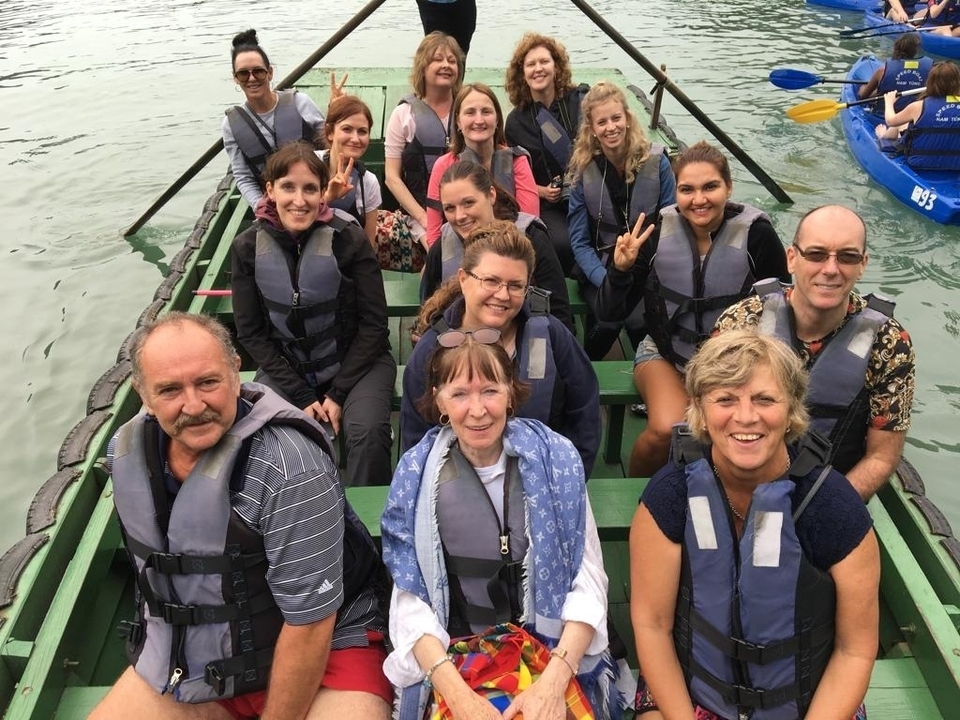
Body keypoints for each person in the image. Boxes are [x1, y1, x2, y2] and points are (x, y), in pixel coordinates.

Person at [89, 312, 392, 720]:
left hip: (326, 651)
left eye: (208, 382)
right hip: (198, 654)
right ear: (143, 394)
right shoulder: (126, 454)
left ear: (235, 371)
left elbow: (310, 626)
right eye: (170, 390)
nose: (193, 405)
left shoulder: (290, 467)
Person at [630, 329, 879, 720]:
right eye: (725, 399)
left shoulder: (832, 508)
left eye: (764, 399)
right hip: (694, 689)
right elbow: (652, 625)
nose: (746, 417)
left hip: (807, 702)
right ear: (699, 407)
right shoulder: (671, 496)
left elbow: (855, 650)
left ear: (792, 407)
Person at [382, 337, 625, 719]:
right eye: (459, 393)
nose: (477, 410)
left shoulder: (555, 458)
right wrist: (460, 700)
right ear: (439, 400)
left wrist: (553, 681)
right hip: (459, 652)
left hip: (553, 648)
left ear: (510, 393)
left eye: (490, 390)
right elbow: (409, 599)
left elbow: (588, 576)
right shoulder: (415, 475)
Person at [596, 141, 789, 477]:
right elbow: (611, 313)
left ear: (728, 187)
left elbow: (784, 311)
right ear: (677, 194)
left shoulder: (757, 236)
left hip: (735, 364)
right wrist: (620, 270)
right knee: (666, 428)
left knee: (725, 435)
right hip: (666, 354)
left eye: (710, 187)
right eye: (687, 190)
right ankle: (641, 496)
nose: (699, 200)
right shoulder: (656, 235)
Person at [715, 205, 915, 499]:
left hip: (829, 493)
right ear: (792, 259)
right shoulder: (741, 323)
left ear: (863, 264)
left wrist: (825, 510)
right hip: (741, 486)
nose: (831, 269)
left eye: (847, 257)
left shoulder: (890, 344)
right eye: (816, 254)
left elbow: (881, 457)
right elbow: (712, 422)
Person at [230, 141, 396, 487]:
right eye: (288, 187)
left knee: (366, 432)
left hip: (357, 363)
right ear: (270, 190)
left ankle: (368, 526)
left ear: (323, 193)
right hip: (286, 367)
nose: (299, 200)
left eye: (310, 189)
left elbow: (375, 324)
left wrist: (336, 394)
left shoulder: (347, 238)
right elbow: (251, 334)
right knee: (270, 439)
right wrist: (304, 397)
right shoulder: (247, 247)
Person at [401, 220, 602, 476]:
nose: (503, 295)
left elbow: (584, 408)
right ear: (463, 279)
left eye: (515, 285)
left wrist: (571, 475)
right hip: (461, 487)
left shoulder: (551, 334)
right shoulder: (432, 350)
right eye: (491, 281)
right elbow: (416, 440)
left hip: (546, 478)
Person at [567, 81, 676, 361]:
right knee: (608, 319)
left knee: (641, 322)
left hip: (649, 267)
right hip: (601, 267)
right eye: (602, 122)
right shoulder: (584, 170)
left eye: (616, 118)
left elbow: (672, 228)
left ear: (627, 119)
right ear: (592, 129)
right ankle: (583, 371)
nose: (611, 127)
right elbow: (579, 242)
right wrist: (609, 280)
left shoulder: (658, 163)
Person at [421, 160, 573, 331]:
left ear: (491, 195)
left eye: (468, 203)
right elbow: (428, 317)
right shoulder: (441, 248)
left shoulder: (531, 237)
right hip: (461, 350)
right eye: (449, 208)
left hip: (522, 346)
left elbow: (560, 314)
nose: (460, 216)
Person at [504, 33, 586, 275]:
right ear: (522, 73)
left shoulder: (579, 103)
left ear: (556, 67)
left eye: (544, 62)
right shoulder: (516, 121)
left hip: (587, 192)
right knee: (562, 243)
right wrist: (541, 190)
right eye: (531, 64)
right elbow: (513, 173)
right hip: (547, 201)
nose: (538, 69)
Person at [221, 29, 326, 210]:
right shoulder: (231, 125)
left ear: (269, 72)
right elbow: (243, 176)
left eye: (258, 72)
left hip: (314, 195)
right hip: (274, 204)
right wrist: (262, 208)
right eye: (243, 74)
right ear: (235, 78)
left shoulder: (300, 103)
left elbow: (329, 147)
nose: (252, 78)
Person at [425, 83, 540, 245]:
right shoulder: (443, 165)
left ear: (497, 119)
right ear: (458, 121)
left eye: (486, 112)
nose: (479, 120)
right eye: (470, 113)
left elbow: (530, 222)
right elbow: (434, 232)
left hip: (510, 250)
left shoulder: (516, 161)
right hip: (460, 251)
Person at [384, 32, 464, 248]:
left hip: (464, 208)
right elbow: (392, 177)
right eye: (437, 60)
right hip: (420, 211)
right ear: (423, 67)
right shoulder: (403, 114)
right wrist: (422, 216)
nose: (446, 65)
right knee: (441, 250)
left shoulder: (467, 110)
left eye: (452, 60)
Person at [319, 95, 382, 245]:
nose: (355, 139)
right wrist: (328, 198)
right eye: (347, 129)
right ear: (330, 132)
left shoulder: (368, 182)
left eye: (362, 132)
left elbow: (368, 245)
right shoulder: (306, 164)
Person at [877, 61, 960, 171]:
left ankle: (883, 136)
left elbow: (890, 121)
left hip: (920, 162)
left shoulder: (917, 107)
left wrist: (889, 102)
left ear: (930, 82)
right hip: (955, 165)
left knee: (900, 123)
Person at [857, 33, 932, 113]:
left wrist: (864, 88)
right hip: (915, 117)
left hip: (884, 116)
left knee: (864, 88)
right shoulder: (931, 71)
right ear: (916, 50)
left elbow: (863, 96)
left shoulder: (882, 71)